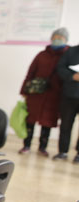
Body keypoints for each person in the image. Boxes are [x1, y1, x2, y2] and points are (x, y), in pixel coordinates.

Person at [18, 28, 69, 157]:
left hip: (54, 95)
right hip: (36, 93)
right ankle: (26, 145)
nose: (57, 40)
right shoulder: (41, 55)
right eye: (55, 37)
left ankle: (42, 147)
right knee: (30, 121)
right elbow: (30, 72)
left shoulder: (67, 56)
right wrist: (24, 90)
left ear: (66, 40)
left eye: (60, 38)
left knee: (47, 123)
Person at [52, 30, 79, 162]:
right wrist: (72, 76)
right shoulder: (71, 51)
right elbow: (60, 68)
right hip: (69, 95)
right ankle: (62, 151)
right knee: (65, 125)